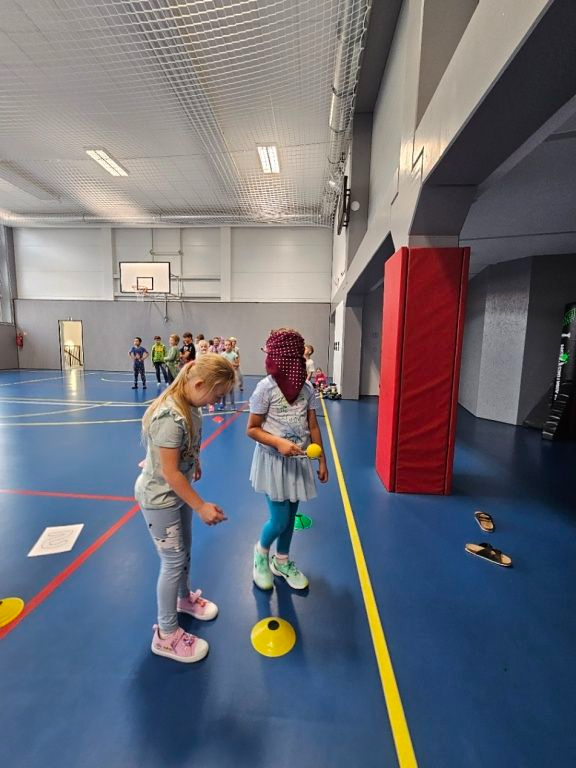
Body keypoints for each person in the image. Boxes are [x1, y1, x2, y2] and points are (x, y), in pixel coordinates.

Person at [135, 355, 236, 663]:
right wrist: (201, 505)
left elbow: (183, 452)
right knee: (172, 560)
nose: (217, 402)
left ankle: (183, 599)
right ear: (199, 384)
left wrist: (195, 461)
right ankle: (166, 635)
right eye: (217, 395)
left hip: (176, 494)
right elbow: (170, 472)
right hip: (159, 499)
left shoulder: (192, 407)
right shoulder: (171, 417)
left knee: (184, 550)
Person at [247, 328, 328, 591]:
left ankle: (281, 561)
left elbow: (313, 426)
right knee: (279, 520)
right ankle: (261, 553)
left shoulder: (307, 389)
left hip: (298, 462)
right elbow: (252, 429)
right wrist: (278, 442)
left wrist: (322, 460)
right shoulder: (265, 388)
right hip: (273, 462)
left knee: (291, 516)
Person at [218, 338, 238, 410]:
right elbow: (220, 364)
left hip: (231, 374)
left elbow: (237, 364)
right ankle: (223, 405)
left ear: (231, 346)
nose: (227, 346)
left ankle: (233, 405)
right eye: (226, 345)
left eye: (229, 345)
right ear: (224, 346)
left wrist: (230, 364)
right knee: (224, 390)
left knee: (231, 391)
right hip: (224, 375)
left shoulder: (234, 354)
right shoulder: (222, 355)